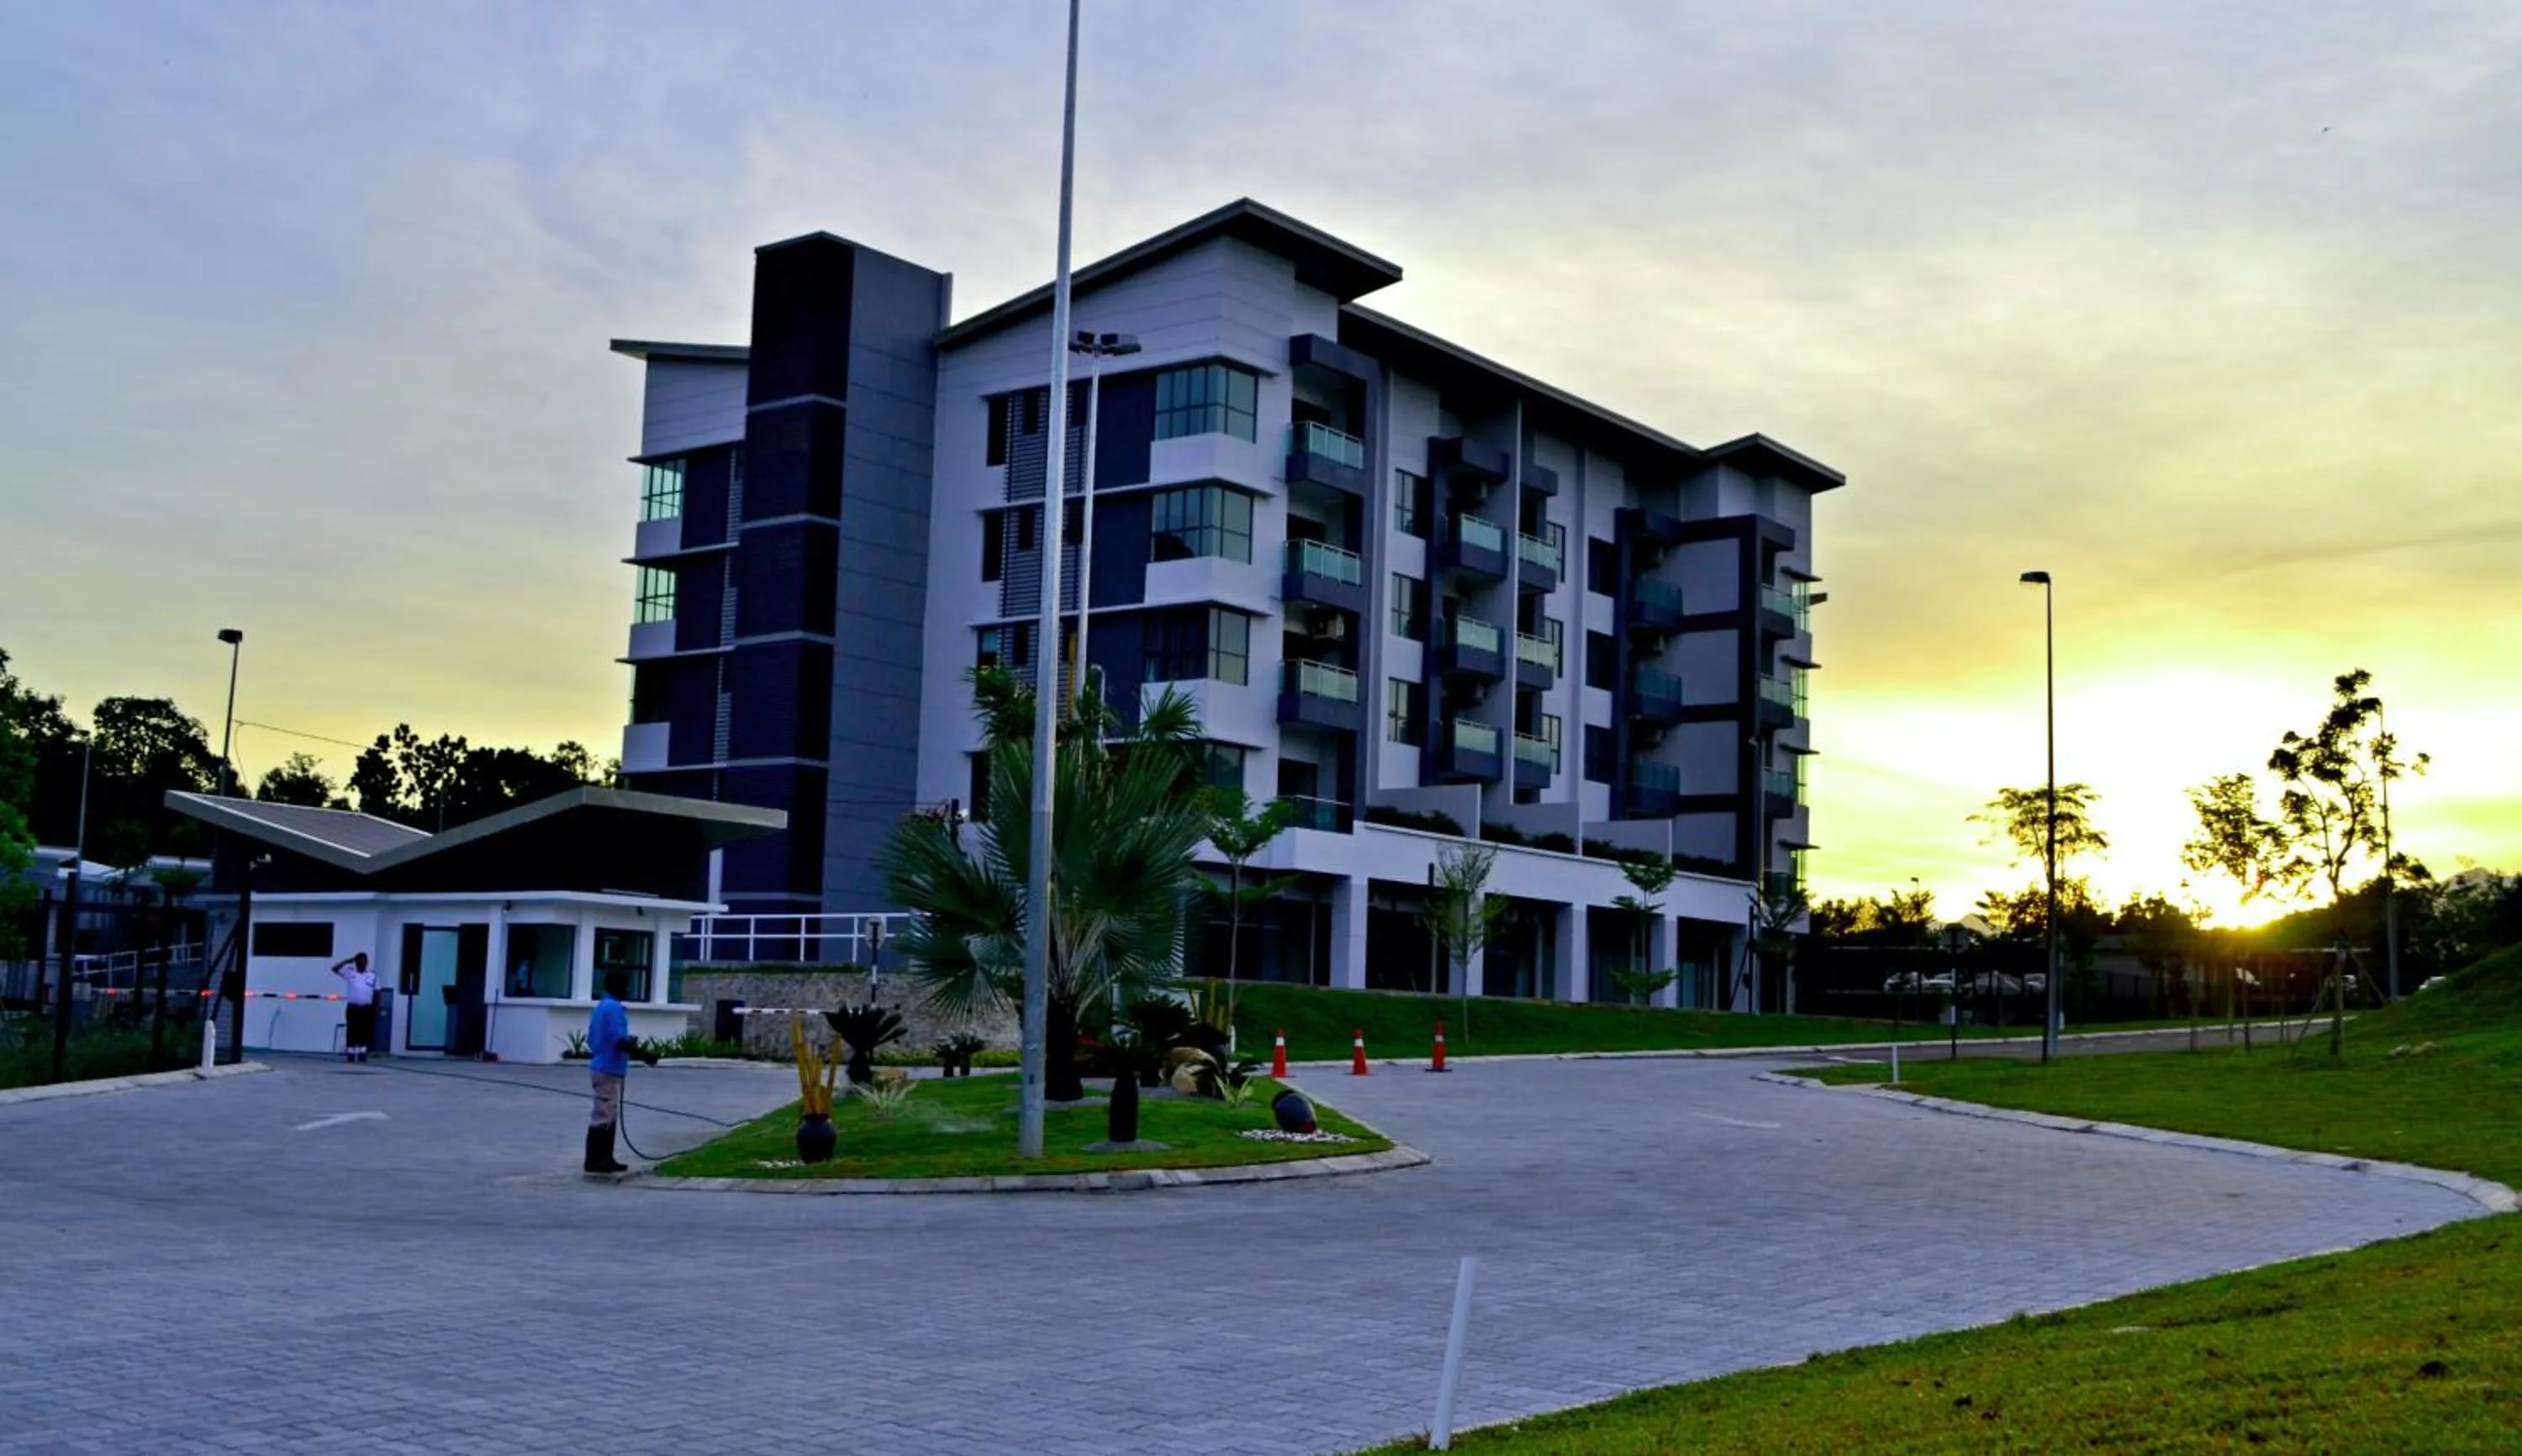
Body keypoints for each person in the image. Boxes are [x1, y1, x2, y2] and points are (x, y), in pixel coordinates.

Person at [584, 968, 658, 1175]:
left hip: (601, 1064)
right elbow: (618, 1040)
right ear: (616, 986)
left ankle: (604, 1158)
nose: (627, 989)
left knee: (606, 1112)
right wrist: (645, 1055)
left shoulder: (601, 1007)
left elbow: (593, 1038)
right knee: (605, 1115)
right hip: (608, 1067)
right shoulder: (614, 1008)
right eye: (625, 985)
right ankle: (597, 1160)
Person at [330, 952, 378, 1063]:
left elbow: (378, 992)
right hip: (353, 1008)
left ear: (367, 962)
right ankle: (351, 1056)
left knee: (365, 1032)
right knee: (352, 1031)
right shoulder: (350, 972)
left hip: (367, 1008)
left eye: (363, 961)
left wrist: (377, 1008)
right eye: (359, 961)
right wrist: (348, 961)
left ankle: (362, 1055)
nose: (361, 964)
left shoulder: (372, 975)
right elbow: (334, 968)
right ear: (355, 962)